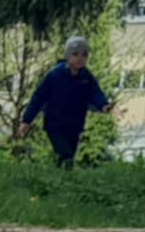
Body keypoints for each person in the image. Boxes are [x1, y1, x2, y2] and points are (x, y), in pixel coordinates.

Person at [20, 36, 112, 164]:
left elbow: (95, 93)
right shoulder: (55, 75)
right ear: (67, 56)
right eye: (75, 54)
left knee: (69, 155)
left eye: (84, 55)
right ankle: (63, 168)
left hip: (75, 123)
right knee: (65, 153)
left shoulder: (86, 77)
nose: (80, 58)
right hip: (55, 123)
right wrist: (26, 120)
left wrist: (103, 105)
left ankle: (62, 174)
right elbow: (38, 97)